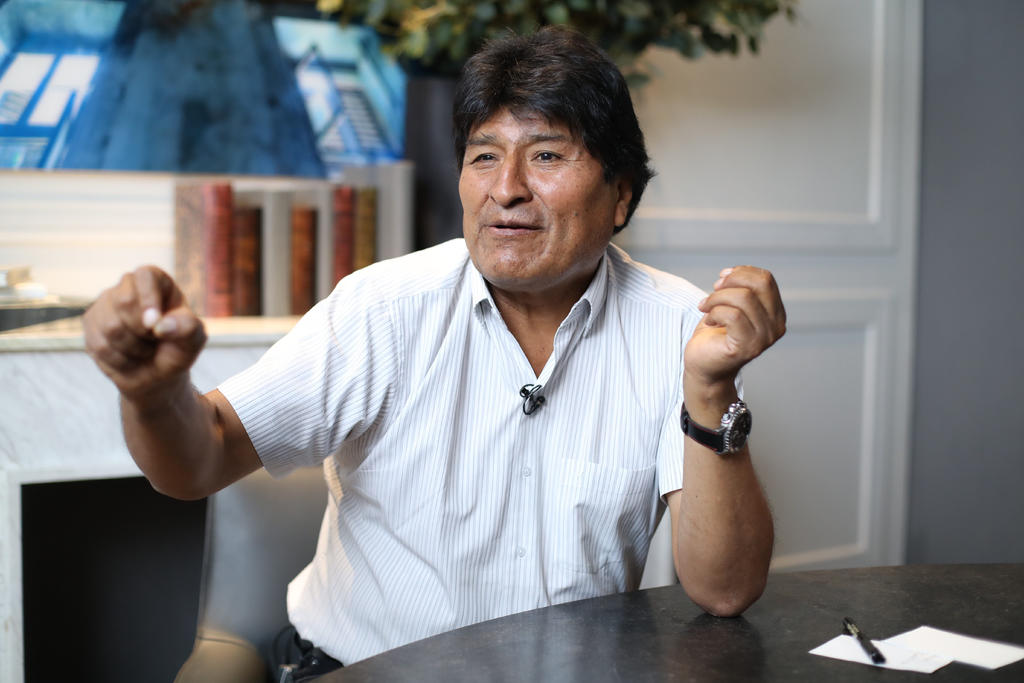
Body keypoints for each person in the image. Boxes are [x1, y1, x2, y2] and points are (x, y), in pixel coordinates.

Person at [84, 25, 785, 677]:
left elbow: (724, 590)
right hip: (364, 670)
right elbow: (199, 458)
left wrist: (710, 393)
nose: (506, 188)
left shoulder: (676, 326)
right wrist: (151, 395)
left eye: (546, 155)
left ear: (621, 195)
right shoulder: (382, 309)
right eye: (484, 156)